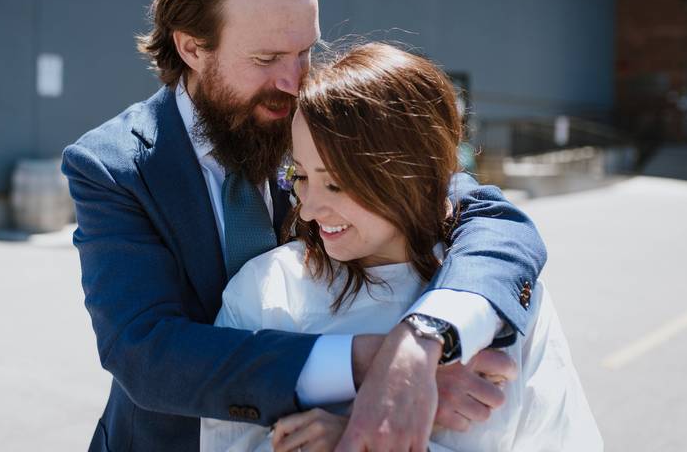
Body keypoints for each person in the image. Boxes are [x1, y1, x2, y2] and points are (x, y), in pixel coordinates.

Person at [61, 0, 547, 452]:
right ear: (193, 47)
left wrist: (422, 341)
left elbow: (491, 219)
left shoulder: (315, 119)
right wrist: (378, 364)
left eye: (305, 53)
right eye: (267, 60)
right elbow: (146, 355)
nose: (295, 84)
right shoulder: (113, 166)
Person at [201, 43, 602, 452]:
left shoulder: (499, 300)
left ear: (410, 175)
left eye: (336, 183)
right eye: (300, 176)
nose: (307, 211)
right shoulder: (264, 292)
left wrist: (360, 439)